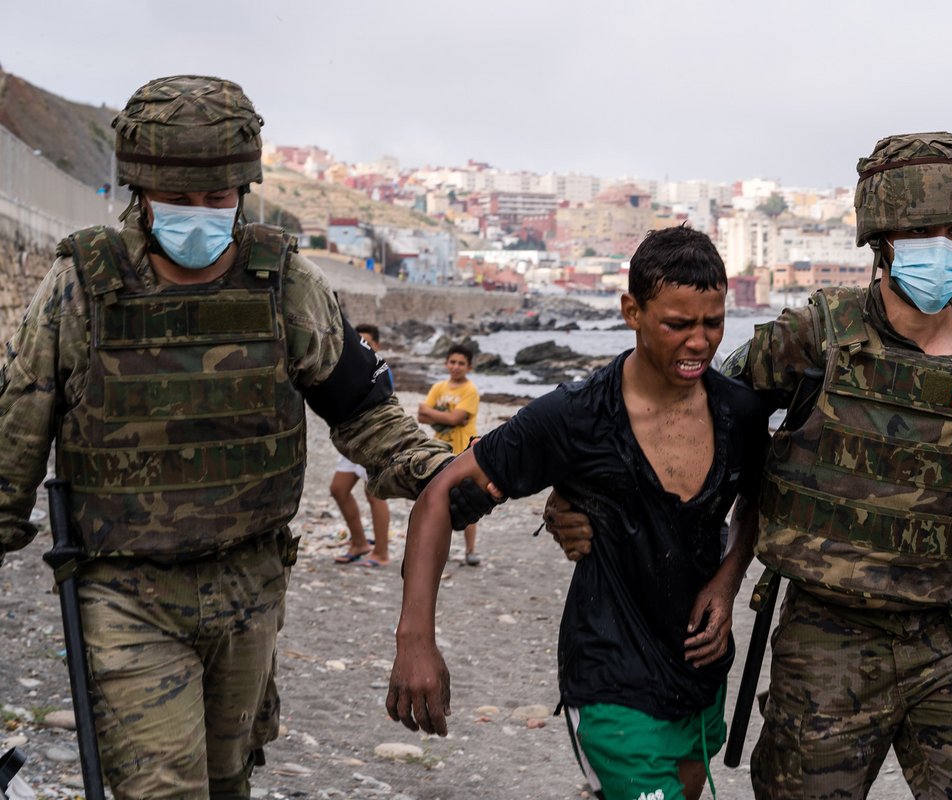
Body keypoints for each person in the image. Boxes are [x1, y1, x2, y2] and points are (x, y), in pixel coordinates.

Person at [0, 75, 491, 800]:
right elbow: (17, 428)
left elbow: (362, 409)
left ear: (243, 188)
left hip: (248, 589)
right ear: (139, 190)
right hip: (125, 592)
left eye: (218, 199)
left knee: (230, 781)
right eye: (181, 201)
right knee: (160, 788)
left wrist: (443, 474)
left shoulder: (282, 281)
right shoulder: (81, 287)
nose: (202, 216)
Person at [546, 133, 952, 800]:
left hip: (945, 634)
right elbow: (688, 415)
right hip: (829, 636)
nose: (942, 245)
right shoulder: (817, 336)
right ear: (882, 239)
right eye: (921, 229)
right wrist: (580, 494)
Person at [386, 225, 769, 800]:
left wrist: (727, 580)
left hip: (701, 667)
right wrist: (415, 639)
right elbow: (439, 496)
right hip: (609, 670)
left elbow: (757, 500)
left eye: (713, 324)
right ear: (631, 311)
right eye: (678, 324)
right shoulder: (576, 417)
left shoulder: (738, 410)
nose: (700, 342)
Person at [332, 323, 395, 567]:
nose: (363, 346)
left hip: (373, 438)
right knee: (339, 489)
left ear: (377, 345)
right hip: (350, 439)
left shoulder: (381, 369)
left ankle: (382, 552)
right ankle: (359, 542)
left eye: (368, 342)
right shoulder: (348, 366)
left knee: (375, 495)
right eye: (359, 342)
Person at [418, 344, 482, 565]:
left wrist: (435, 414)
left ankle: (470, 550)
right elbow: (421, 415)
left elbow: (454, 419)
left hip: (465, 451)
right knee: (439, 500)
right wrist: (448, 417)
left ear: (469, 367)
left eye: (461, 363)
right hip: (439, 451)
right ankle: (434, 550)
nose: (456, 367)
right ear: (446, 363)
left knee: (468, 500)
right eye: (452, 362)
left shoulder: (470, 391)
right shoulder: (438, 387)